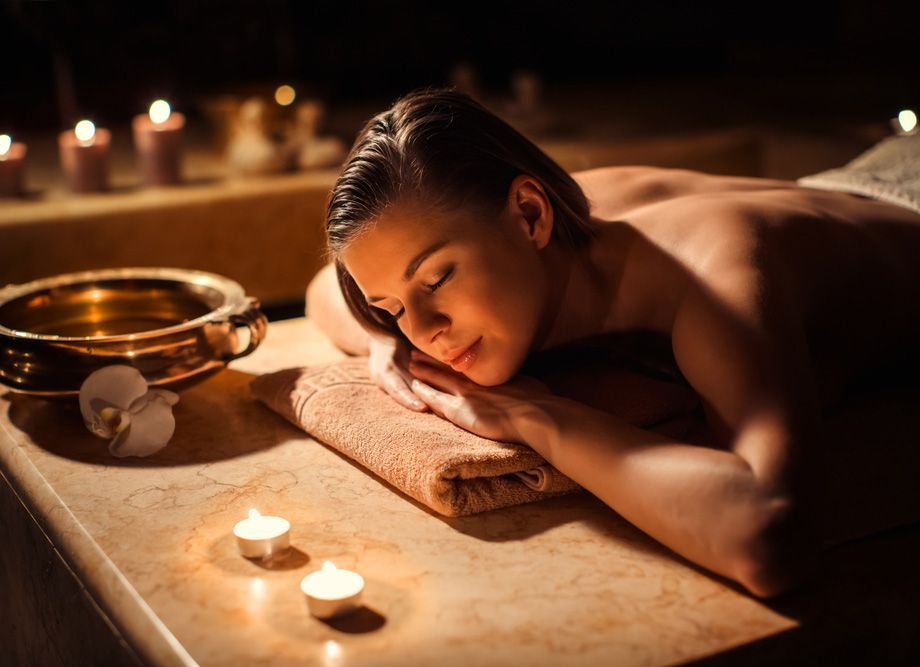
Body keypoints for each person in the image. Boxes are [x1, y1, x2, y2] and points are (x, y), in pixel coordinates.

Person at [305, 88, 920, 598]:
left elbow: (771, 538)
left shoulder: (711, 268)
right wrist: (384, 339)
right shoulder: (526, 218)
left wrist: (536, 415)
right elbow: (321, 292)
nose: (425, 331)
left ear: (529, 215)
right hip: (847, 182)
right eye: (391, 306)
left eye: (438, 278)